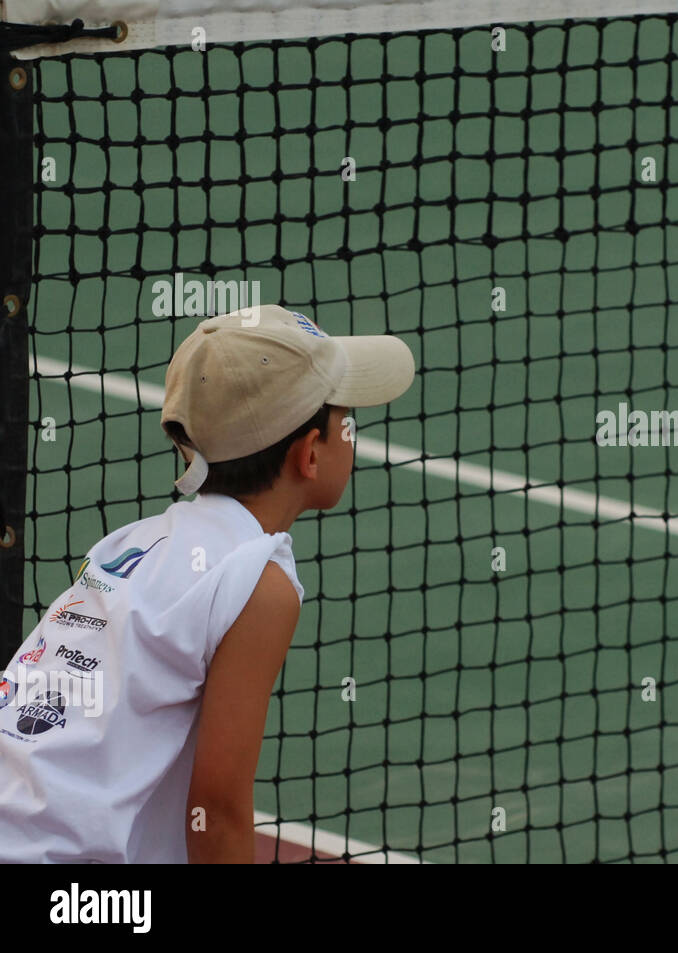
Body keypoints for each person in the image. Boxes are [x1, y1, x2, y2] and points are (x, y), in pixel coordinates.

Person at [0, 304, 414, 863]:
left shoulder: (128, 545)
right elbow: (215, 814)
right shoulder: (259, 585)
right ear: (310, 454)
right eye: (345, 415)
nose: (353, 428)